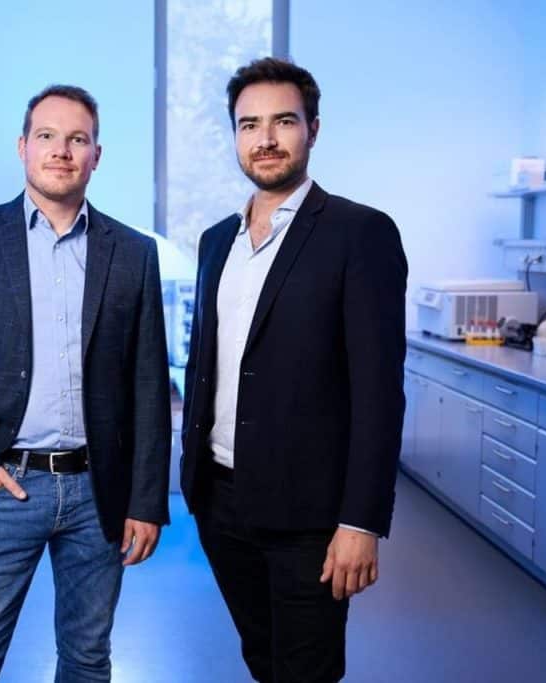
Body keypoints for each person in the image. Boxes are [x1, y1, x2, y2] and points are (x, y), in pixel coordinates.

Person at [0, 84, 171, 683]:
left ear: (96, 155)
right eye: (47, 136)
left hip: (98, 493)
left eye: (77, 139)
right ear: (23, 146)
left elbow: (148, 383)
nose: (61, 150)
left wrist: (146, 501)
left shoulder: (133, 253)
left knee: (87, 660)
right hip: (6, 485)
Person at [180, 57, 408, 683]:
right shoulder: (216, 241)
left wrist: (361, 521)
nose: (266, 139)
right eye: (248, 124)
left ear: (313, 129)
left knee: (306, 670)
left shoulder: (359, 233)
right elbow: (207, 363)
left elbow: (379, 393)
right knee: (262, 657)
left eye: (283, 121)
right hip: (220, 500)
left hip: (311, 513)